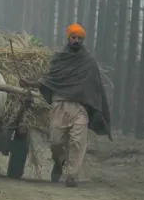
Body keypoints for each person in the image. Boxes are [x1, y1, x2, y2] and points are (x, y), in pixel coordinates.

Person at [21, 23, 112, 187]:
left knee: (77, 142)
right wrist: (31, 83)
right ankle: (59, 161)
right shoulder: (59, 59)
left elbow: (95, 87)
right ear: (68, 38)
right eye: (73, 37)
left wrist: (96, 108)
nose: (76, 40)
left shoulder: (89, 63)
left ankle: (72, 175)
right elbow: (50, 80)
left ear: (83, 40)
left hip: (79, 109)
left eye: (79, 38)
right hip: (59, 106)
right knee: (56, 142)